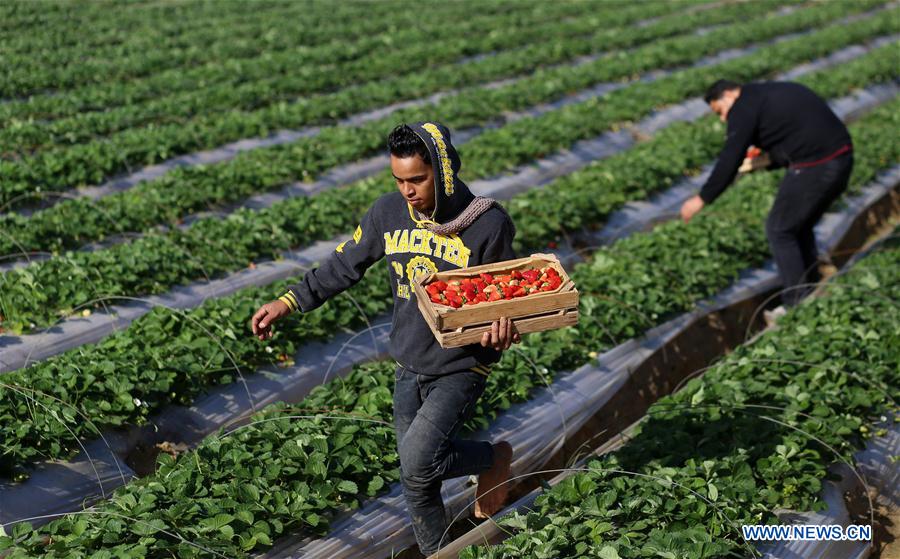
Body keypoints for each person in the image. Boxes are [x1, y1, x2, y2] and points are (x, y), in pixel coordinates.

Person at [251, 122, 518, 557]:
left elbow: (507, 295)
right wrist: (290, 301)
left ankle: (492, 459)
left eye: (417, 179)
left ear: (443, 172)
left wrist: (504, 327)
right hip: (409, 361)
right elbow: (344, 264)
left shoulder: (487, 224)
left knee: (418, 464)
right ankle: (438, 553)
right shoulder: (388, 213)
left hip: (462, 364)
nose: (407, 191)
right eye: (399, 180)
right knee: (418, 482)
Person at [680, 79, 853, 314]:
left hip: (817, 165)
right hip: (840, 158)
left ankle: (796, 303)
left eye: (720, 111)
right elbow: (795, 135)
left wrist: (702, 198)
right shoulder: (767, 94)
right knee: (798, 226)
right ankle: (811, 288)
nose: (723, 119)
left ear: (729, 95)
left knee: (779, 229)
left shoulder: (743, 106)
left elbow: (730, 156)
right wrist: (768, 160)